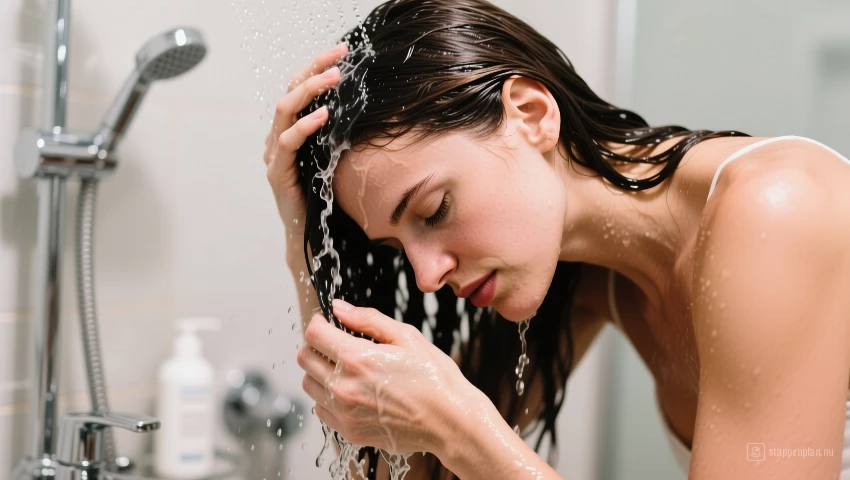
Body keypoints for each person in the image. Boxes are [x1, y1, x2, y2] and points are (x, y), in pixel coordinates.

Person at [262, 0, 850, 478]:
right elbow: (408, 473)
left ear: (531, 113)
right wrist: (304, 242)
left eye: (435, 210)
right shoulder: (590, 273)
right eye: (395, 249)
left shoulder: (775, 209)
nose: (425, 276)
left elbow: (454, 447)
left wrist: (464, 429)